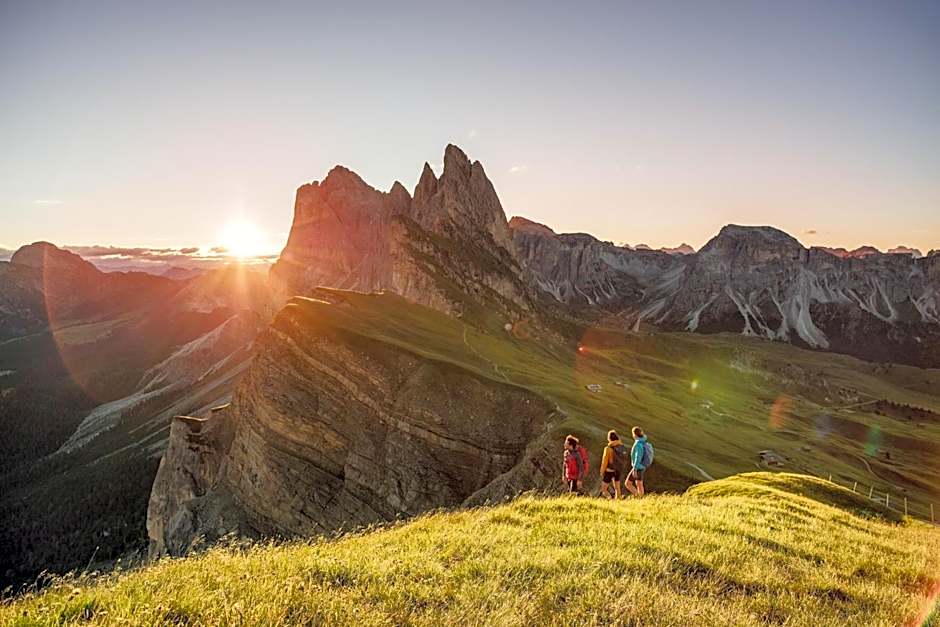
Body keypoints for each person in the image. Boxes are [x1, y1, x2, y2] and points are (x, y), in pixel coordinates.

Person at [598, 430, 628, 498]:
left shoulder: (608, 448)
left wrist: (602, 471)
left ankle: (610, 499)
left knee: (604, 489)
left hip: (609, 470)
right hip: (618, 470)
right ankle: (618, 500)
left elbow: (604, 461)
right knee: (617, 488)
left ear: (609, 439)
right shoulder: (621, 447)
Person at [625, 426, 653, 497]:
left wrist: (635, 468)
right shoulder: (643, 441)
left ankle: (639, 497)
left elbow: (638, 457)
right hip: (641, 466)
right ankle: (638, 496)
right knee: (637, 483)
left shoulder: (638, 444)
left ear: (634, 434)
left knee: (634, 484)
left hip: (638, 467)